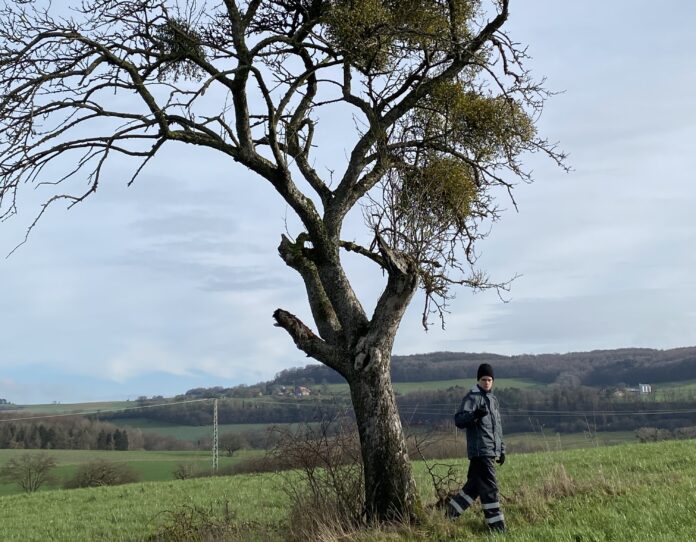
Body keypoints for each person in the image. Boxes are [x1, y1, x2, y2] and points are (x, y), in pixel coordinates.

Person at [447, 363, 506, 532]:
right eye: (483, 379)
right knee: (490, 488)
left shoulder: (493, 400)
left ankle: (449, 515)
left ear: (493, 381)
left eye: (489, 379)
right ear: (478, 380)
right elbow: (459, 420)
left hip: (490, 451)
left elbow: (498, 428)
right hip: (480, 452)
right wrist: (474, 415)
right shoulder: (472, 398)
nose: (487, 382)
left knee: (473, 488)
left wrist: (502, 450)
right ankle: (497, 527)